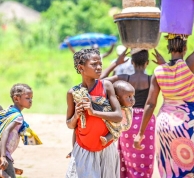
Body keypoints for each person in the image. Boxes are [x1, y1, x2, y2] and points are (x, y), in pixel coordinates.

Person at [134, 0, 194, 178]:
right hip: (186, 123)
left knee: (168, 170)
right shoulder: (189, 65)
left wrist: (140, 133)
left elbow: (151, 104)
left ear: (168, 46)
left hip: (165, 124)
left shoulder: (159, 71)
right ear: (185, 48)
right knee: (185, 169)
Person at [100, 48, 164, 178]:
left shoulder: (125, 78)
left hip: (127, 120)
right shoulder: (152, 79)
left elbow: (100, 82)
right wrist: (163, 65)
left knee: (127, 160)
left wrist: (116, 63)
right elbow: (173, 79)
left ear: (132, 63)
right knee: (144, 161)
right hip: (147, 123)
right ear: (147, 62)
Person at [65, 48, 122, 178]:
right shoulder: (73, 92)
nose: (99, 67)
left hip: (106, 147)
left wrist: (93, 112)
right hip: (83, 148)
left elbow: (118, 116)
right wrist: (76, 116)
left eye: (100, 64)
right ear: (81, 68)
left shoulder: (106, 86)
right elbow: (69, 124)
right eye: (94, 64)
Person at [66, 80, 135, 157]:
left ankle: (106, 139)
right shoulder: (106, 103)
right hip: (84, 143)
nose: (132, 99)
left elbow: (120, 125)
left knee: (117, 129)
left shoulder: (125, 110)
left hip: (107, 141)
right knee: (77, 129)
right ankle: (74, 150)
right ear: (117, 98)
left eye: (133, 96)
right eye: (129, 96)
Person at [0, 83, 33, 178]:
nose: (31, 101)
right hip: (2, 159)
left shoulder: (9, 112)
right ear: (16, 99)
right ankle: (0, 170)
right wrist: (3, 156)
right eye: (28, 98)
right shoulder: (17, 116)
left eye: (32, 98)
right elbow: (5, 132)